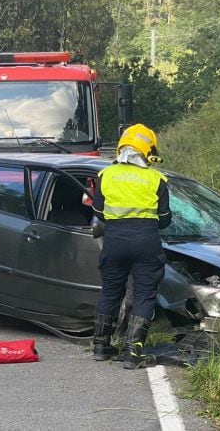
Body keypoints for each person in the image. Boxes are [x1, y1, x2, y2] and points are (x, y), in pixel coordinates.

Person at [90, 124, 171, 369]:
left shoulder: (105, 175)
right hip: (146, 241)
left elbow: (98, 213)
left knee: (110, 292)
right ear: (148, 151)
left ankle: (101, 346)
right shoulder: (157, 179)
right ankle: (133, 352)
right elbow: (165, 219)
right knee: (144, 294)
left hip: (115, 241)